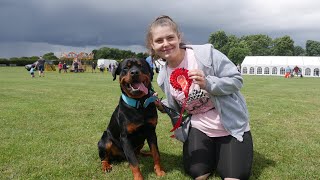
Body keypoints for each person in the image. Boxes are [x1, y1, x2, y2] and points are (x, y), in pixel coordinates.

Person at [146, 15, 253, 180]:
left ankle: (225, 151)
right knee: (197, 172)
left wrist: (208, 83)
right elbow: (180, 103)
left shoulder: (205, 54)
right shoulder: (162, 77)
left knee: (234, 176)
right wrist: (162, 104)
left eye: (170, 38)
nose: (166, 44)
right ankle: (215, 153)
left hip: (230, 125)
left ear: (178, 37)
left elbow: (236, 80)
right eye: (159, 40)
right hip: (200, 127)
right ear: (152, 45)